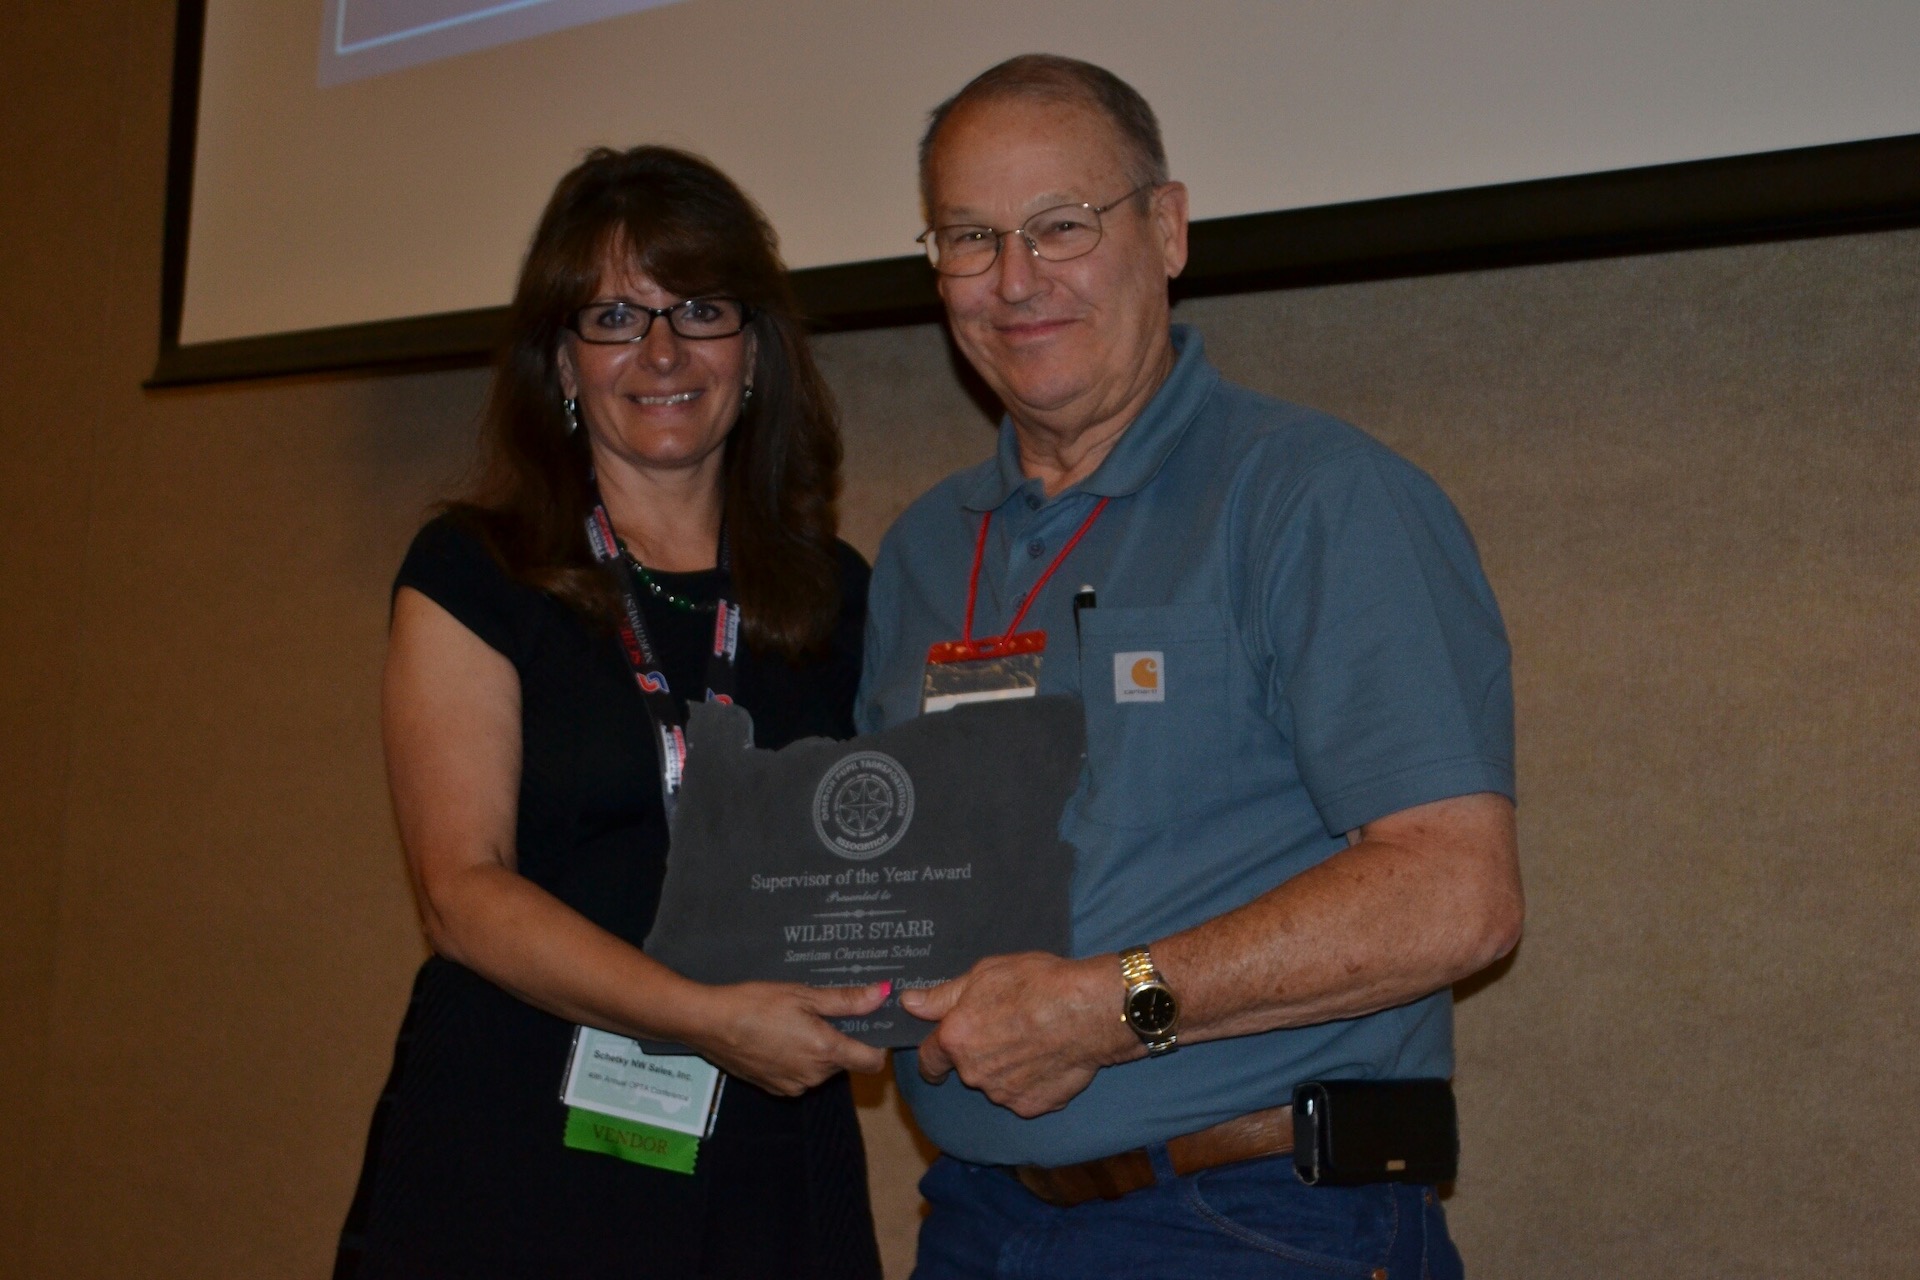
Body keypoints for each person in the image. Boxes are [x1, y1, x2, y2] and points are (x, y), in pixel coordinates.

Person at [857, 55, 1525, 1278]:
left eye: (1061, 225)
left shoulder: (1317, 499)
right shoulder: (920, 550)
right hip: (977, 1218)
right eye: (971, 237)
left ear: (1166, 229)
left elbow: (1455, 895)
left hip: (1256, 1225)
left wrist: (1101, 1010)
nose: (1016, 280)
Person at [335, 145, 887, 1279]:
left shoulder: (839, 594)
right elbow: (463, 891)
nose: (665, 351)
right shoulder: (478, 570)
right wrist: (701, 1015)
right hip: (521, 1153)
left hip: (766, 1152)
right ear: (560, 361)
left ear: (755, 348)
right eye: (615, 317)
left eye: (701, 306)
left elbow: (881, 866)